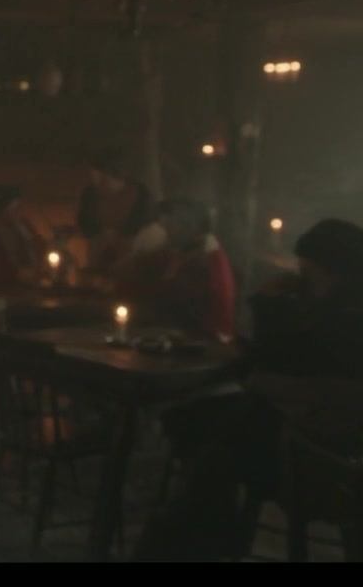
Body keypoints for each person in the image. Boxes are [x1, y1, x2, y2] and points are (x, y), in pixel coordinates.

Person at [136, 219, 363, 561]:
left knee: (218, 434)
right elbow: (277, 361)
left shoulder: (347, 320)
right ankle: (206, 530)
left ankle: (198, 535)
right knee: (204, 424)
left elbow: (288, 370)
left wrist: (268, 306)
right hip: (298, 435)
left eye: (309, 274)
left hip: (322, 461)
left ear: (337, 273)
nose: (304, 282)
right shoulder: (332, 312)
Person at [116, 198, 235, 341]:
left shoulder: (203, 261)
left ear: (190, 226)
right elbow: (155, 262)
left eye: (172, 225)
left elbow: (173, 309)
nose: (166, 231)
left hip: (206, 342)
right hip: (185, 334)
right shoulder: (190, 247)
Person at [76, 152, 154, 275]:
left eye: (103, 179)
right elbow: (84, 221)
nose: (98, 183)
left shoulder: (140, 195)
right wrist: (101, 233)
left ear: (116, 176)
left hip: (131, 242)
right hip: (100, 242)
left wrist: (123, 235)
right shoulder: (90, 195)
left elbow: (146, 222)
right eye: (95, 178)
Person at [0, 185, 48, 294]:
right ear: (0, 210)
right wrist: (22, 274)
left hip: (26, 291)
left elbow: (36, 261)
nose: (19, 212)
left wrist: (39, 252)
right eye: (14, 208)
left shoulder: (24, 230)